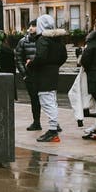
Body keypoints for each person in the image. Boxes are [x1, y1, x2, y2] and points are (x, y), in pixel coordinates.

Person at [26, 14, 68, 142]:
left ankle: (53, 131)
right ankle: (53, 128)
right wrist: (54, 65)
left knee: (46, 101)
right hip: (53, 72)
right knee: (51, 100)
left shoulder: (42, 39)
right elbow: (64, 56)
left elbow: (41, 57)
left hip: (43, 74)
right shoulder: (58, 39)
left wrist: (31, 63)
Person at [14, 20, 41, 130]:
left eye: (34, 26)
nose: (31, 28)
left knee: (48, 100)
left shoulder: (44, 40)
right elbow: (18, 58)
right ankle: (36, 122)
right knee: (34, 99)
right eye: (30, 25)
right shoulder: (23, 41)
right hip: (30, 75)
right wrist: (24, 73)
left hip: (43, 74)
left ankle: (54, 123)